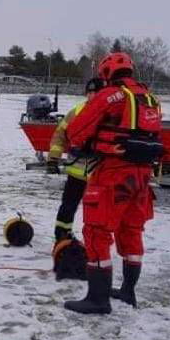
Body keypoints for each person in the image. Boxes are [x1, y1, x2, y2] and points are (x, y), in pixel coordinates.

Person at [63, 52, 162, 314]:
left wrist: (82, 145)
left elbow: (76, 130)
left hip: (113, 173)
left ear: (106, 73)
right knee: (131, 231)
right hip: (141, 178)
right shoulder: (149, 98)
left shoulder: (110, 96)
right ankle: (128, 291)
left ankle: (98, 299)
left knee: (96, 232)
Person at [47, 78, 105, 243]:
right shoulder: (76, 112)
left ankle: (96, 242)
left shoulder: (111, 114)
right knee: (68, 206)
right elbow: (60, 135)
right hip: (77, 171)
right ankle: (62, 235)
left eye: (97, 92)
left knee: (97, 211)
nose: (92, 95)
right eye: (90, 92)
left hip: (100, 174)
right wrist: (53, 158)